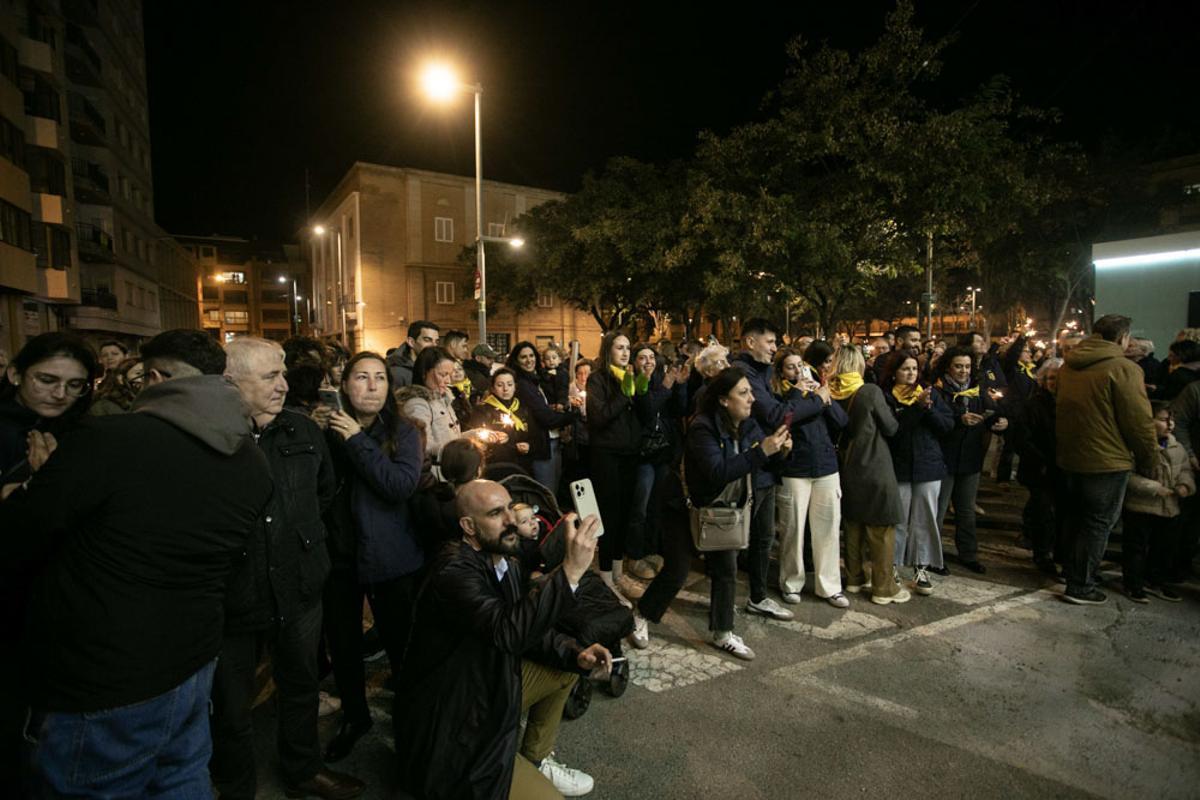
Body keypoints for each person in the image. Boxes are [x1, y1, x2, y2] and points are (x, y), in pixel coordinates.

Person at [6, 329, 273, 798]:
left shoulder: (112, 439)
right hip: (191, 663)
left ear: (153, 377)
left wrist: (31, 487)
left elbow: (23, 535)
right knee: (182, 779)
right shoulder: (252, 459)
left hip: (102, 680)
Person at [211, 338, 363, 800]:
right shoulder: (211, 436)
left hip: (298, 584)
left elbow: (324, 492)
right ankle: (235, 785)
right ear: (230, 382)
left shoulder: (303, 431)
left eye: (282, 373)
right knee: (231, 703)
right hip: (232, 592)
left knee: (299, 684)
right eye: (269, 377)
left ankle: (303, 770)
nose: (283, 385)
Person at [396, 480, 607, 799]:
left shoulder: (505, 559)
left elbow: (524, 621)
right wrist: (571, 573)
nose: (511, 520)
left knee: (566, 668)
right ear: (468, 526)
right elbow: (508, 631)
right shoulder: (453, 571)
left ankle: (536, 758)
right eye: (496, 513)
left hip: (489, 682)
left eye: (511, 507)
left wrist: (574, 653)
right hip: (457, 719)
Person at [0, 332, 98, 789]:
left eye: (75, 384)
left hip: (61, 599)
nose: (61, 394)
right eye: (47, 379)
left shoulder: (84, 432)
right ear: (16, 373)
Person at [322, 352, 424, 761]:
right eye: (361, 377)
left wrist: (356, 440)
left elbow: (399, 485)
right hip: (338, 556)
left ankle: (411, 723)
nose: (371, 386)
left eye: (379, 378)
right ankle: (355, 715)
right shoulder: (326, 429)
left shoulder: (405, 430)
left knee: (401, 645)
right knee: (344, 646)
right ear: (344, 385)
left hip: (391, 556)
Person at [683, 367, 792, 658]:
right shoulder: (702, 427)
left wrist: (780, 450)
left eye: (751, 392)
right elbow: (718, 471)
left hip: (725, 508)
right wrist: (762, 452)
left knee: (726, 568)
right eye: (743, 393)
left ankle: (722, 632)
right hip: (695, 506)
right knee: (674, 572)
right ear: (723, 399)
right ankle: (641, 616)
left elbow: (759, 460)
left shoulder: (745, 422)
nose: (751, 399)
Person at [1057, 314, 1158, 605]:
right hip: (1107, 460)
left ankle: (1073, 573)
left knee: (1076, 521)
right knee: (1098, 524)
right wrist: (1149, 459)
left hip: (1072, 456)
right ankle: (1080, 585)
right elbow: (1138, 422)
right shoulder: (1124, 368)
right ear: (1123, 338)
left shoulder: (1069, 366)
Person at [730, 318, 820, 622]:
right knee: (734, 537)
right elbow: (773, 414)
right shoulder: (744, 373)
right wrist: (811, 399)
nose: (774, 348)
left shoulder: (763, 373)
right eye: (769, 342)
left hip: (767, 465)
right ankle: (723, 603)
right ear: (750, 342)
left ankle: (758, 596)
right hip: (750, 464)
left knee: (763, 536)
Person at [828, 346, 909, 604]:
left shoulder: (829, 392)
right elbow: (892, 427)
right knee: (881, 528)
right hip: (874, 465)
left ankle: (853, 578)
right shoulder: (870, 391)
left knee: (853, 525)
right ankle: (883, 588)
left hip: (846, 468)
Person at [769, 346, 847, 607]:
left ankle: (830, 586)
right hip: (795, 469)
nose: (797, 371)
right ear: (781, 371)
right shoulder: (779, 395)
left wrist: (825, 397)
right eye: (790, 367)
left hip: (825, 467)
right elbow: (785, 419)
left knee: (828, 529)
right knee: (793, 529)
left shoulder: (817, 390)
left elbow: (841, 422)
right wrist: (800, 394)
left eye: (799, 365)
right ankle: (791, 582)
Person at [879, 350, 953, 596]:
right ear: (894, 373)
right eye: (905, 369)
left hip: (928, 466)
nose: (911, 373)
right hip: (899, 467)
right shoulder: (887, 397)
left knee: (925, 518)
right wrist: (917, 409)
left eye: (914, 369)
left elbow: (947, 426)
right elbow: (895, 431)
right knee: (898, 520)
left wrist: (929, 409)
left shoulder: (931, 394)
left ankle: (922, 566)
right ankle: (893, 566)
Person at [931, 345, 1008, 575]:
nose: (963, 371)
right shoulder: (938, 391)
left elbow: (993, 412)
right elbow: (935, 422)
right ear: (948, 367)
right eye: (958, 366)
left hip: (970, 459)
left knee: (966, 510)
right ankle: (933, 556)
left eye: (967, 366)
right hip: (944, 459)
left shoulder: (977, 390)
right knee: (939, 510)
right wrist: (958, 419)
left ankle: (968, 554)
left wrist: (1001, 422)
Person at [586, 332, 650, 603]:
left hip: (630, 454)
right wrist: (625, 395)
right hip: (606, 455)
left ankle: (617, 571)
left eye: (627, 348)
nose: (625, 353)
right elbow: (598, 417)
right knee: (609, 515)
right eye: (619, 348)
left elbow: (643, 416)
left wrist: (643, 383)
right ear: (607, 350)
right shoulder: (597, 379)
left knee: (625, 513)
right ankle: (604, 576)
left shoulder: (630, 377)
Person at [1120, 402, 1195, 603]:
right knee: (1136, 547)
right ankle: (1133, 584)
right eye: (1163, 420)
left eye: (1171, 420)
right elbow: (1128, 475)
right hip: (1141, 506)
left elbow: (1186, 470)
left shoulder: (1176, 446)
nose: (1170, 424)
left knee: (1163, 548)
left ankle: (1155, 581)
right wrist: (1154, 488)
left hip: (1169, 507)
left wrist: (1185, 486)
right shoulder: (1139, 446)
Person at [1013, 359, 1067, 576]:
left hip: (1064, 468)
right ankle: (1042, 553)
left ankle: (1060, 554)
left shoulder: (1070, 403)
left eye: (1059, 379)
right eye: (1051, 378)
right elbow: (1022, 439)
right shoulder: (1033, 405)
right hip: (1040, 468)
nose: (1054, 383)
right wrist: (1041, 460)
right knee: (1043, 512)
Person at [510, 340, 581, 495]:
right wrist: (573, 415)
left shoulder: (537, 379)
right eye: (523, 357)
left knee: (553, 489)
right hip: (540, 444)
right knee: (546, 493)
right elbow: (545, 417)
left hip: (552, 440)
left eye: (531, 355)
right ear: (516, 360)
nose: (529, 360)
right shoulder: (523, 384)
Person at [397, 346, 463, 468]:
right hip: (437, 474)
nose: (448, 380)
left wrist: (472, 436)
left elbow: (450, 438)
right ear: (424, 373)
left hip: (452, 467)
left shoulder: (443, 399)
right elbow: (423, 445)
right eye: (443, 375)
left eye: (450, 374)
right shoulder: (417, 405)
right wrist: (459, 453)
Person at [468, 367, 534, 471]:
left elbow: (533, 435)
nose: (505, 389)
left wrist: (529, 446)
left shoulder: (522, 408)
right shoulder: (483, 410)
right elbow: (478, 440)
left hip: (522, 465)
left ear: (515, 387)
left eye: (509, 384)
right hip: (496, 465)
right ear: (493, 388)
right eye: (500, 385)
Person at [386, 320, 440, 387]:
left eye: (436, 342)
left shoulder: (433, 365)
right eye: (427, 340)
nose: (434, 346)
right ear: (411, 342)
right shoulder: (396, 372)